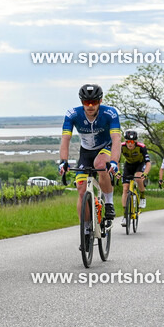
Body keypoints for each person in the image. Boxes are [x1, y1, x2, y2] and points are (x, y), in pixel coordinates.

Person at [58, 84, 122, 232]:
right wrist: (63, 161)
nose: (91, 106)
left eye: (94, 102)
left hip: (106, 147)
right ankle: (86, 228)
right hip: (85, 152)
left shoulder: (110, 113)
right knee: (81, 189)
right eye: (87, 102)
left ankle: (109, 203)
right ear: (82, 102)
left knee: (100, 164)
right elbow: (65, 139)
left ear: (101, 100)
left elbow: (116, 138)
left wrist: (114, 161)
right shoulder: (73, 114)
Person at [119, 130, 152, 218]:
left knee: (138, 177)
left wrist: (145, 173)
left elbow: (148, 163)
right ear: (125, 141)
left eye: (132, 142)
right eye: (128, 142)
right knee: (125, 189)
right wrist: (117, 172)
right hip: (128, 165)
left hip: (139, 164)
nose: (130, 144)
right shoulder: (121, 147)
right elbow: (117, 161)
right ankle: (125, 215)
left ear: (136, 141)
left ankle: (142, 196)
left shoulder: (141, 147)